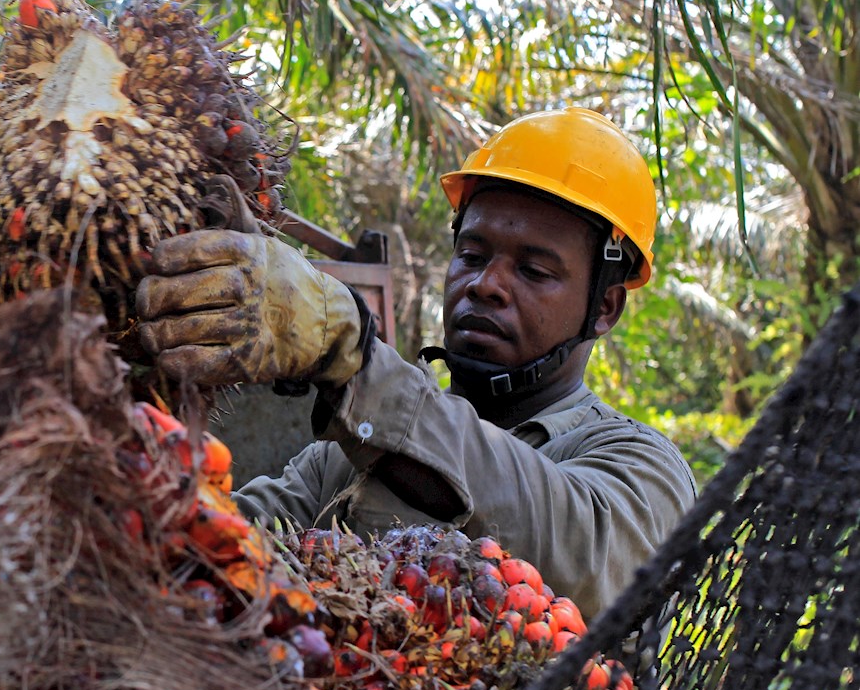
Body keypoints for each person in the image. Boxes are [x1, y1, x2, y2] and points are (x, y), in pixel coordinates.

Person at [136, 106, 698, 619]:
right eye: (472, 256)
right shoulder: (346, 459)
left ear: (604, 307)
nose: (486, 285)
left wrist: (349, 358)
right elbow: (219, 545)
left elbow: (577, 557)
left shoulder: (640, 466)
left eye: (533, 271)